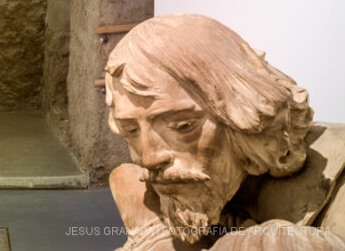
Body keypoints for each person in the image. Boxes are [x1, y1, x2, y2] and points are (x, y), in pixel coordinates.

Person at [104, 14, 345, 250]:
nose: (149, 158)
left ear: (244, 112)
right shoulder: (185, 186)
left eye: (182, 126)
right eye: (131, 130)